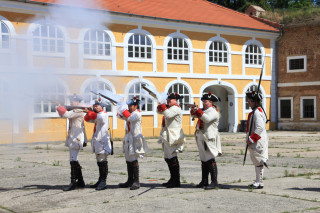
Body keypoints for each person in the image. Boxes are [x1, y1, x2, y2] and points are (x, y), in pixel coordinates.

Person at [190, 92, 221, 190]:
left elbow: (206, 119)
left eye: (206, 101)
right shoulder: (205, 110)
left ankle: (214, 182)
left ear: (211, 102)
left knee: (210, 159)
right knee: (204, 160)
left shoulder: (213, 111)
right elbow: (194, 116)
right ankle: (204, 181)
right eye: (203, 101)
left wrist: (198, 110)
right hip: (201, 136)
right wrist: (193, 110)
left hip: (209, 137)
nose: (204, 103)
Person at [56, 94, 87, 191]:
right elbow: (62, 115)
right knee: (73, 160)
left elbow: (67, 114)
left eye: (73, 101)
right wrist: (60, 108)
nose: (71, 102)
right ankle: (80, 181)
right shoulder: (74, 110)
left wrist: (58, 106)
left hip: (76, 138)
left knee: (73, 160)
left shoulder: (78, 110)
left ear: (78, 102)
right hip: (73, 138)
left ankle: (73, 182)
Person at [117, 97, 148, 190]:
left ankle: (136, 181)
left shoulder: (137, 114)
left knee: (133, 159)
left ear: (136, 106)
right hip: (128, 137)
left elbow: (129, 118)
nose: (129, 107)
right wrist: (119, 108)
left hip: (135, 138)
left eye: (131, 106)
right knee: (128, 159)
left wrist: (123, 109)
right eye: (129, 106)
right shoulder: (131, 113)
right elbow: (120, 116)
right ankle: (130, 180)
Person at [157, 93, 185, 188]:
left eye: (170, 99)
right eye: (168, 99)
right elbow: (159, 111)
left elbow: (168, 115)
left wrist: (163, 105)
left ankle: (176, 180)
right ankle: (172, 179)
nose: (168, 101)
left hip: (173, 135)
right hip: (167, 135)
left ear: (175, 100)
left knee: (172, 157)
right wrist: (161, 104)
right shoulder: (170, 107)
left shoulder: (176, 108)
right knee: (168, 158)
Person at [84, 98, 112, 190]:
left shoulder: (103, 115)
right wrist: (87, 112)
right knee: (99, 161)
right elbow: (87, 119)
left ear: (102, 106)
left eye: (97, 105)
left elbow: (96, 117)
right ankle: (100, 180)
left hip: (102, 142)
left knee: (103, 161)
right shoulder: (97, 115)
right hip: (98, 141)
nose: (96, 107)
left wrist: (90, 112)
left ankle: (103, 181)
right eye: (95, 106)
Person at [245, 91, 268, 189]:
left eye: (250, 101)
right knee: (257, 161)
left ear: (254, 101)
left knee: (259, 161)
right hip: (256, 141)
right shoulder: (257, 111)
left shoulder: (257, 112)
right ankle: (258, 181)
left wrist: (251, 139)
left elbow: (259, 127)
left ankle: (259, 182)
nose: (248, 103)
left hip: (257, 141)